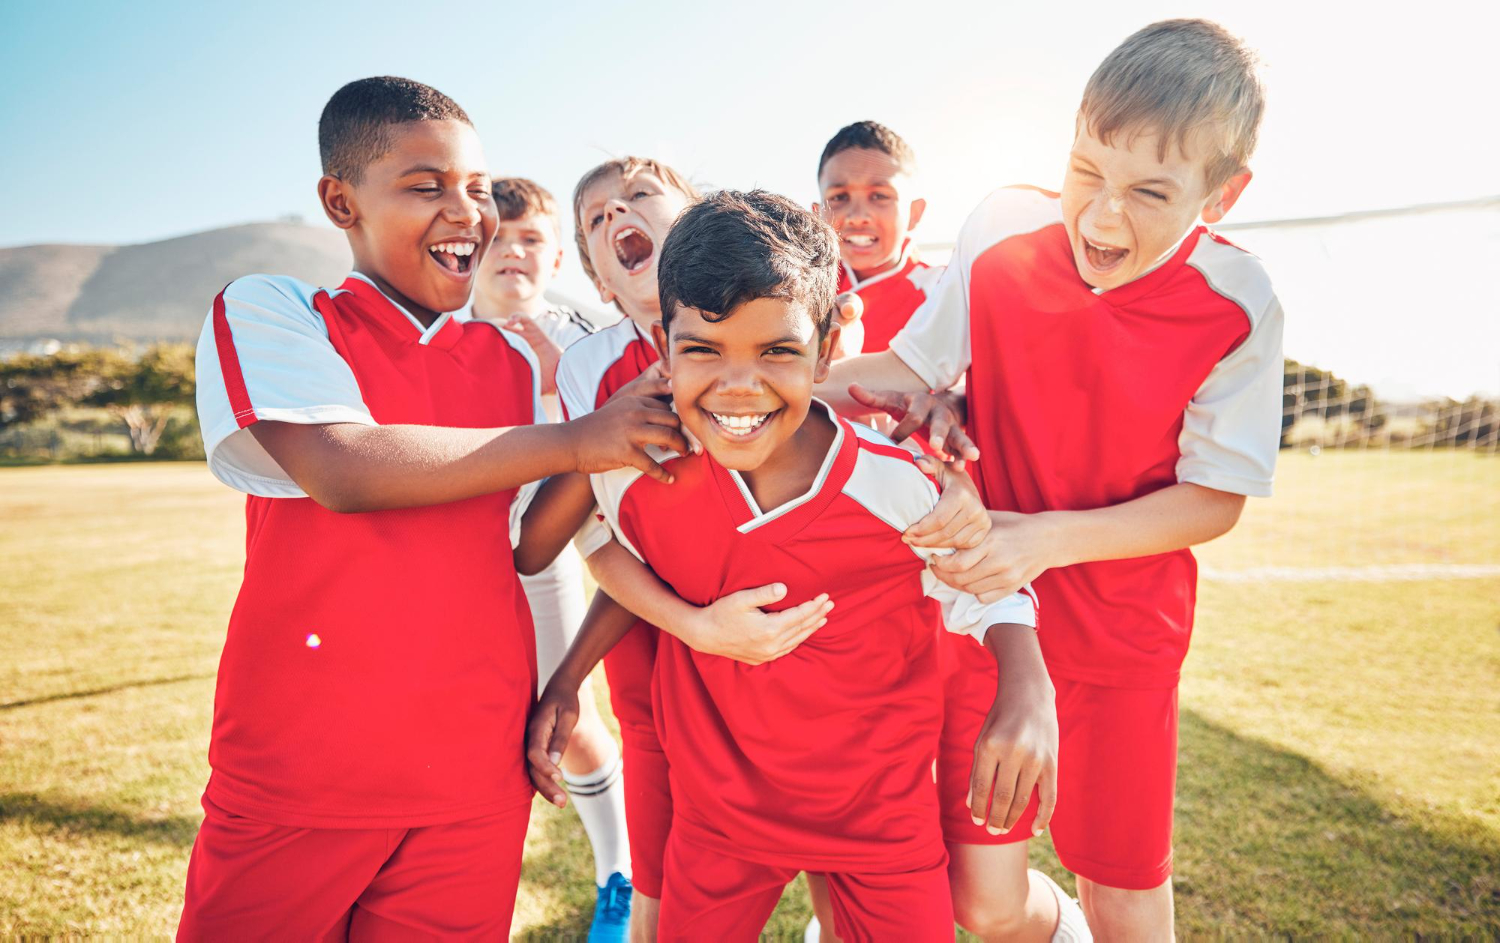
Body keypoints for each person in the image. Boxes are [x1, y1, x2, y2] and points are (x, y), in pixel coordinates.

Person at [177, 76, 687, 940]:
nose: (467, 213)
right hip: (301, 766)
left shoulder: (522, 362)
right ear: (341, 201)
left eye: (477, 189)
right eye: (427, 186)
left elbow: (548, 542)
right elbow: (345, 468)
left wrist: (656, 393)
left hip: (476, 777)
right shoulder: (276, 313)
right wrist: (580, 439)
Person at [820, 19, 1283, 941]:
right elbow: (910, 370)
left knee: (1122, 890)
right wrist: (759, 378)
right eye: (1087, 172)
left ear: (1222, 195)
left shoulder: (1240, 303)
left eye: (1151, 191)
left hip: (1124, 637)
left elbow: (1215, 499)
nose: (1103, 216)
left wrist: (1039, 536)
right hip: (989, 617)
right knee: (984, 904)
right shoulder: (999, 228)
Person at [530, 190, 1055, 943]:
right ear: (662, 346)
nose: (739, 384)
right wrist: (625, 654)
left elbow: (993, 587)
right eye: (704, 349)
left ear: (827, 346)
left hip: (879, 821)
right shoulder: (639, 467)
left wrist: (1028, 686)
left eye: (777, 350)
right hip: (720, 817)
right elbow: (602, 546)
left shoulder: (893, 482)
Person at [466, 175, 631, 941]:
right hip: (453, 555)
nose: (513, 252)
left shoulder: (584, 337)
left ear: (558, 253)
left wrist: (548, 397)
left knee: (564, 719)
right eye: (498, 237)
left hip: (548, 556)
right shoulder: (446, 329)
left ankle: (616, 871)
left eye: (530, 237)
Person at [814, 120, 943, 354]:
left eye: (880, 196)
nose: (858, 216)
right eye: (839, 197)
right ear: (817, 215)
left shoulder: (942, 292)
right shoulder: (793, 288)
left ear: (915, 213)